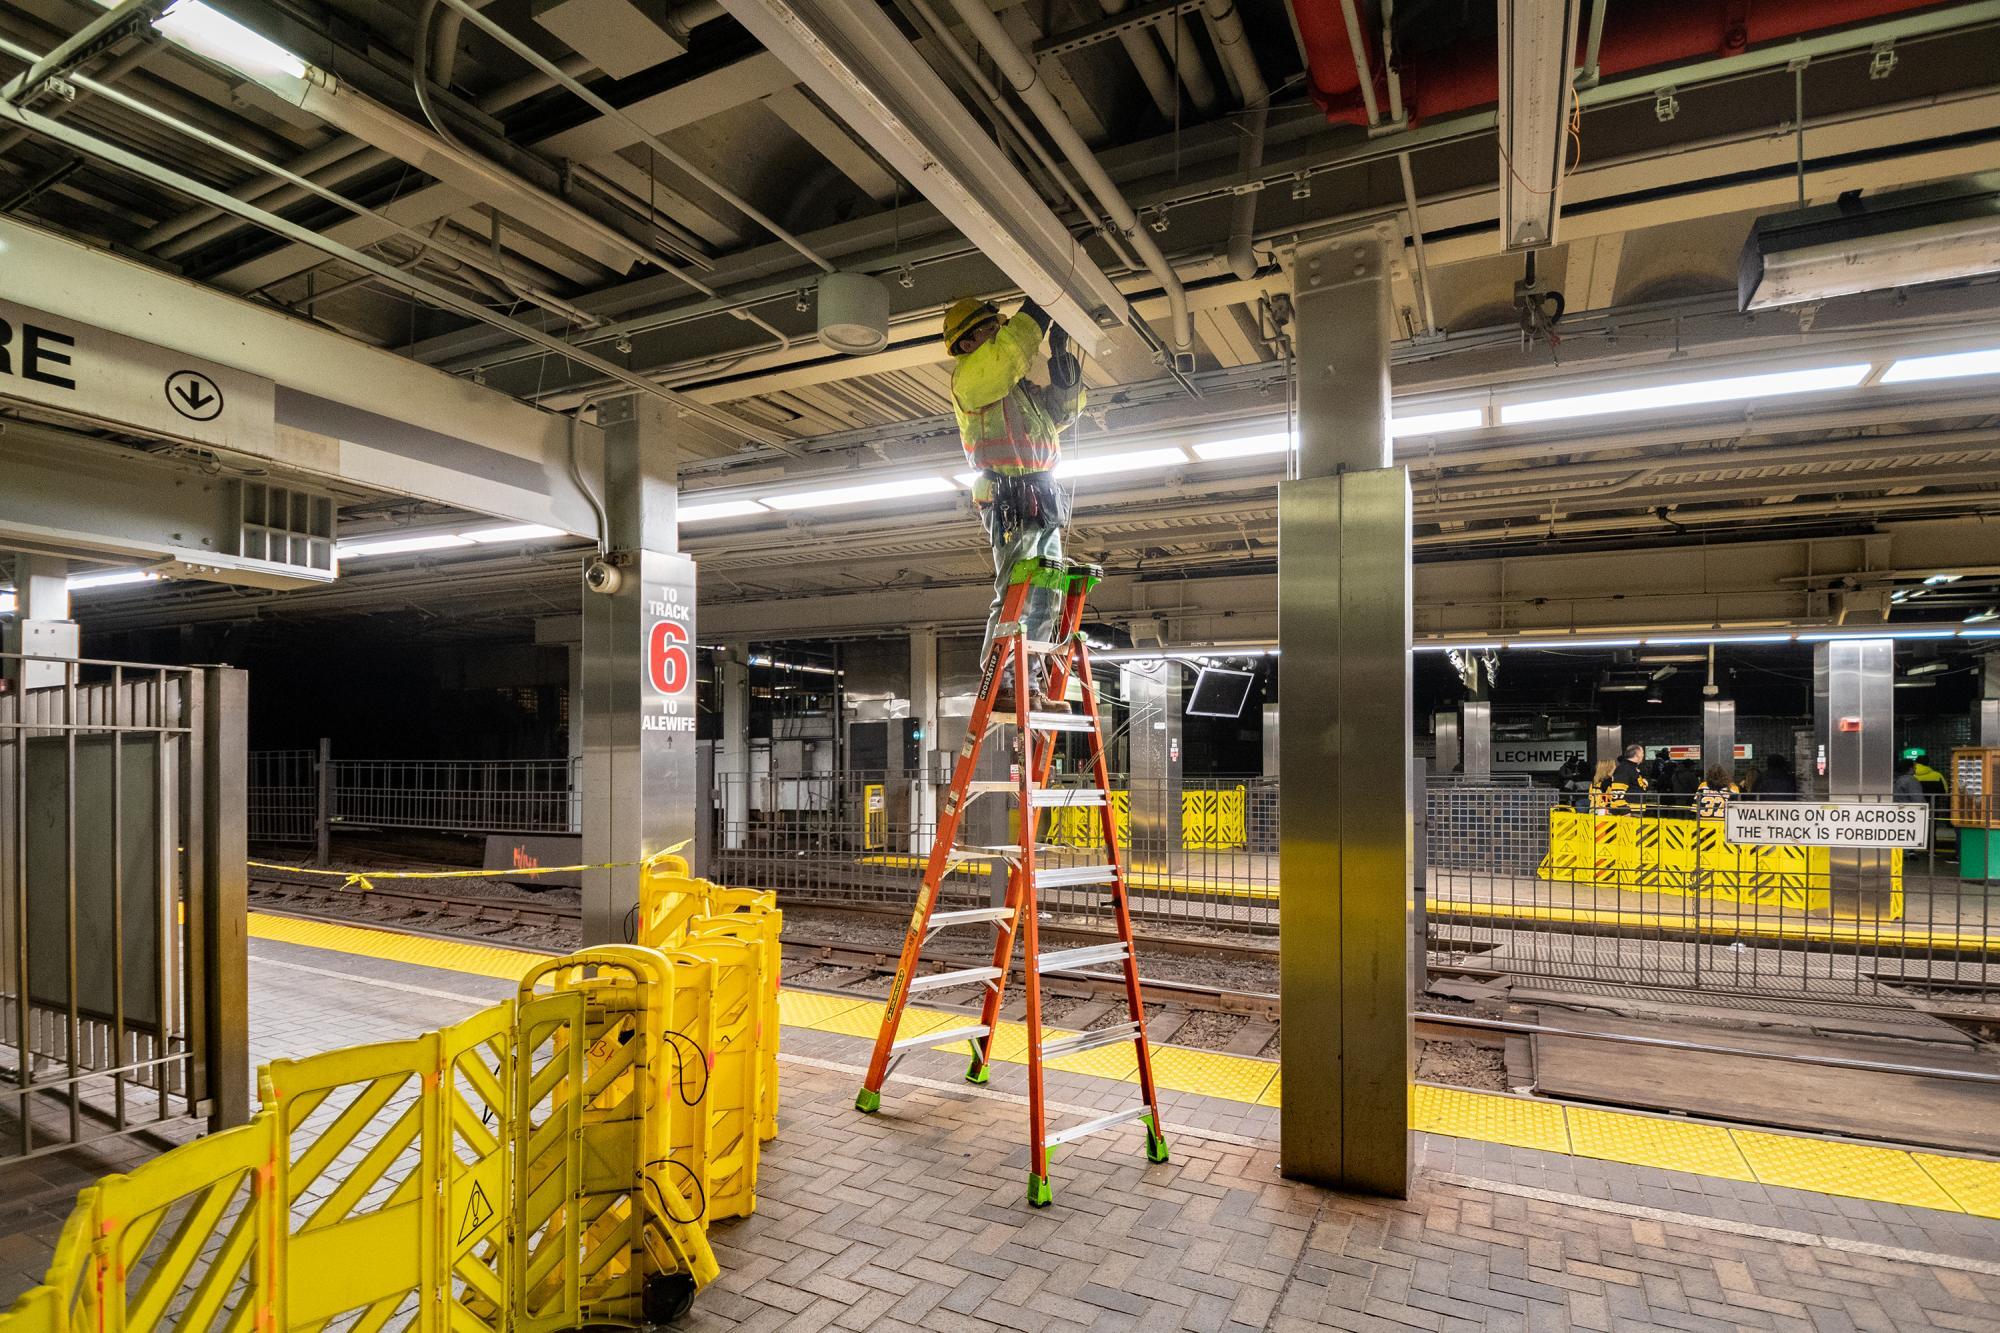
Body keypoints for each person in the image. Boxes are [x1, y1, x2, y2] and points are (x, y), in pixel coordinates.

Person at [944, 295, 1086, 713]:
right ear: (968, 342)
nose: (999, 333)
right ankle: (1001, 684)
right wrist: (1040, 308)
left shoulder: (1016, 390)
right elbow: (1008, 354)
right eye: (992, 328)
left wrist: (1064, 373)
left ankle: (1029, 687)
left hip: (1041, 493)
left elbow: (1061, 414)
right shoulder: (971, 377)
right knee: (1016, 595)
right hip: (1008, 497)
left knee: (1046, 595)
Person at [1606, 743, 1649, 815]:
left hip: (1634, 811)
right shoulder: (1624, 769)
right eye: (1642, 753)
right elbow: (1617, 792)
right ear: (1637, 755)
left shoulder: (1632, 768)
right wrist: (1625, 811)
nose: (1643, 755)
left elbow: (1638, 787)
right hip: (1629, 813)